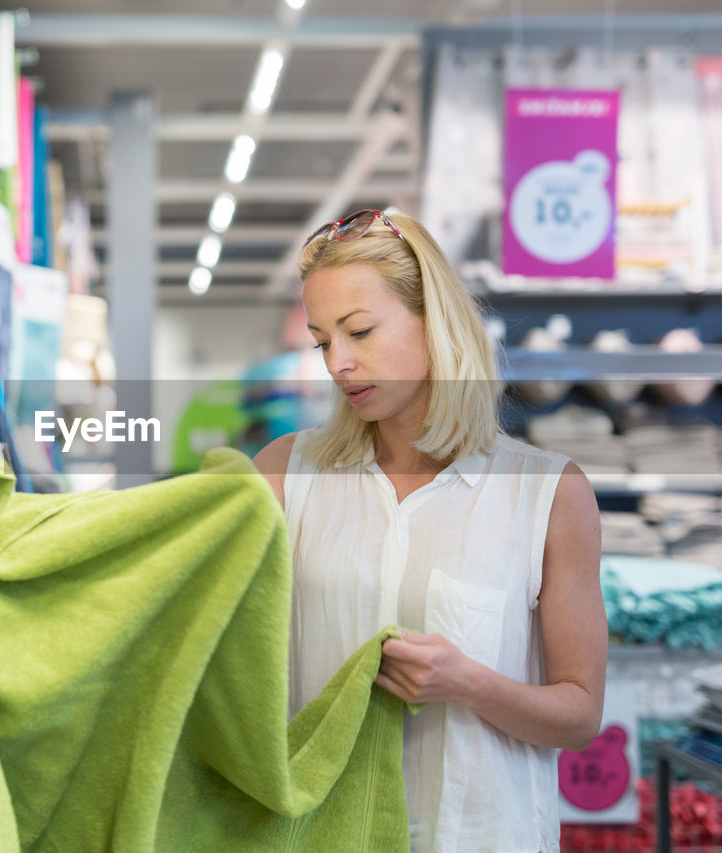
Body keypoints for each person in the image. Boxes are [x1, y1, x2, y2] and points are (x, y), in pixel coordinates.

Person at [252, 210, 605, 853]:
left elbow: (580, 716)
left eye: (359, 331)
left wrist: (468, 683)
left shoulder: (548, 494)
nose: (340, 362)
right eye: (323, 341)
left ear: (434, 323)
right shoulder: (284, 474)